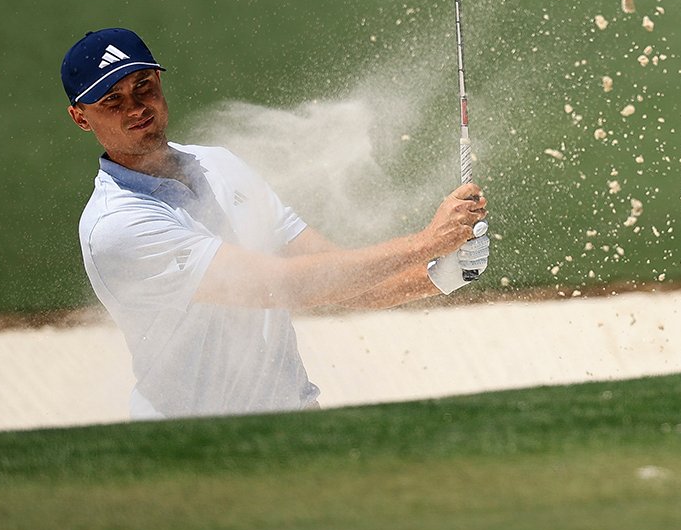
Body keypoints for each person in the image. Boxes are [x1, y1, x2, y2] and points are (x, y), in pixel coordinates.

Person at [61, 27, 485, 420]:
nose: (135, 107)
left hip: (293, 422)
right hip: (196, 443)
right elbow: (282, 285)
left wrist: (439, 275)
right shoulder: (118, 224)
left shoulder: (220, 165)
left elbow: (333, 273)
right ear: (80, 118)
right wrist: (427, 242)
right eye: (111, 101)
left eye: (143, 87)